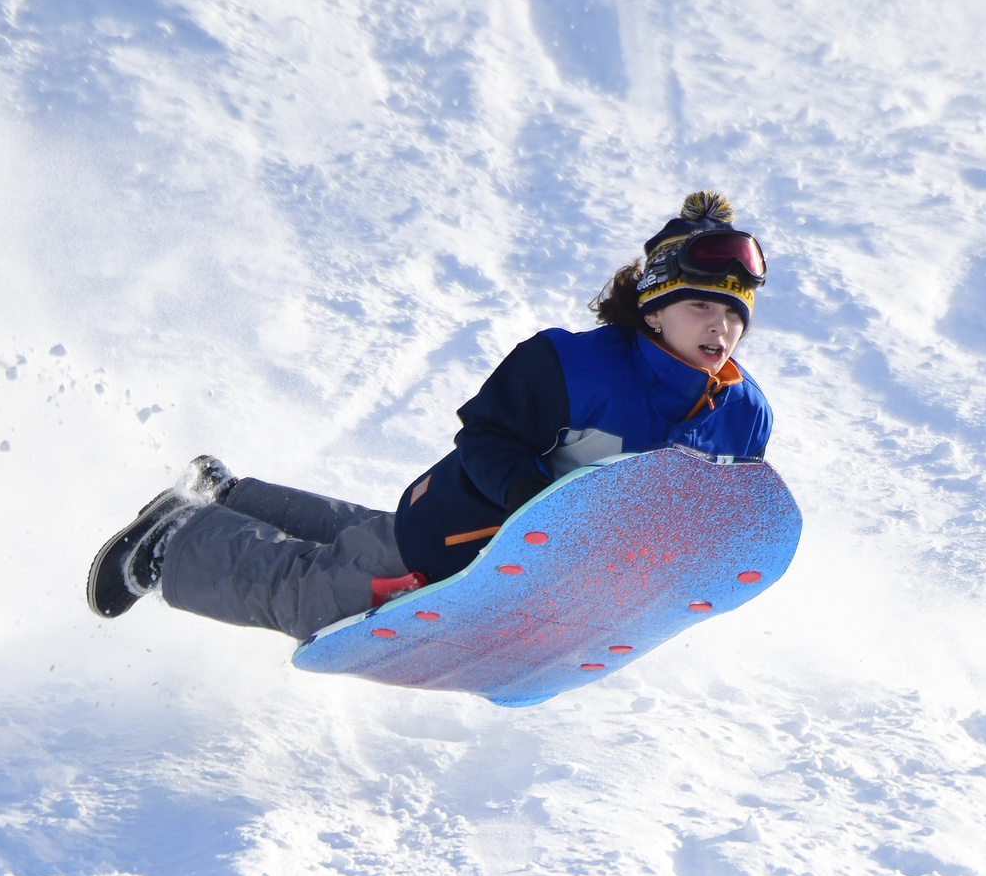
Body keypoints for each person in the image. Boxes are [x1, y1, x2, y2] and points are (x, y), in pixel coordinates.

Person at [87, 191, 772, 641]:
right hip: (454, 538)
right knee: (318, 594)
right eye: (700, 307)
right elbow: (487, 438)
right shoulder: (572, 366)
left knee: (356, 540)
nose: (720, 327)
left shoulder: (742, 416)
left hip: (532, 575)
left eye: (733, 313)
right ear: (654, 308)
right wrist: (540, 511)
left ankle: (226, 497)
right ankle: (172, 542)